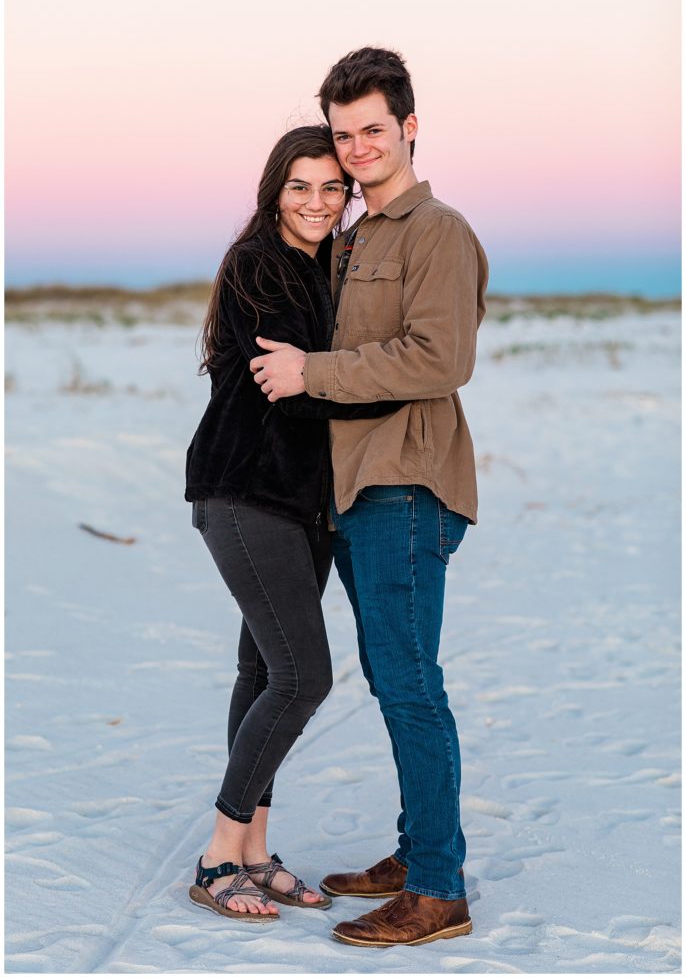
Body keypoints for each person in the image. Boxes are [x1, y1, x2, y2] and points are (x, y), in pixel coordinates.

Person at [249, 48, 488, 947]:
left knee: (409, 684)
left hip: (408, 484)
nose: (355, 150)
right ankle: (419, 848)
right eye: (343, 135)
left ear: (410, 128)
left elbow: (440, 359)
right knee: (394, 682)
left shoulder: (438, 232)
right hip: (354, 489)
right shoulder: (354, 238)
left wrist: (313, 372)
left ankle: (437, 889)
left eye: (372, 131)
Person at [184, 124, 401, 923]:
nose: (316, 202)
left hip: (303, 504)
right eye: (299, 186)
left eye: (331, 187)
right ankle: (217, 855)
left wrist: (339, 372)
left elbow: (320, 375)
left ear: (348, 195)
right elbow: (295, 385)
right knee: (305, 677)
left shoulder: (327, 270)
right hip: (244, 493)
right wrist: (392, 374)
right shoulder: (257, 266)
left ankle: (254, 852)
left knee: (261, 673)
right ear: (276, 190)